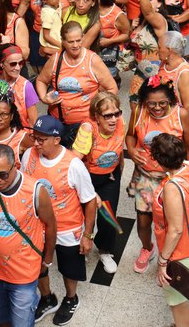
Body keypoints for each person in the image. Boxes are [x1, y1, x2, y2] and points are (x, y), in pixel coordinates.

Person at [0, 144, 56, 327]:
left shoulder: (35, 191)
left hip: (24, 274)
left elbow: (50, 226)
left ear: (15, 166)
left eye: (3, 174)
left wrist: (47, 261)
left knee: (22, 323)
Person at [22, 115, 97, 325]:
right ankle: (46, 298)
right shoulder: (29, 155)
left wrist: (87, 235)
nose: (35, 143)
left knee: (69, 266)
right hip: (37, 225)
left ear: (56, 139)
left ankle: (71, 298)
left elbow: (90, 200)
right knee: (38, 264)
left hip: (67, 227)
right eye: (34, 137)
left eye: (41, 139)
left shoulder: (73, 164)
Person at [126, 76, 189, 275]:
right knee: (143, 221)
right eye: (152, 104)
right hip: (145, 177)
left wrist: (188, 175)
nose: (157, 108)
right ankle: (147, 248)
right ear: (143, 103)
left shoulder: (180, 114)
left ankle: (170, 256)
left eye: (162, 103)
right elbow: (130, 136)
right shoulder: (139, 112)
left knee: (172, 222)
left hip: (172, 180)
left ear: (171, 101)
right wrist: (131, 151)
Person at [149, 134, 189, 327]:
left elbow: (175, 230)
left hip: (181, 251)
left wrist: (162, 261)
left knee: (176, 301)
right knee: (177, 297)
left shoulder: (172, 188)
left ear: (158, 160)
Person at [36, 22, 118, 148]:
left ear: (83, 37)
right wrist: (44, 98)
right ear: (63, 41)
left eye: (78, 40)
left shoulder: (92, 60)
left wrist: (99, 110)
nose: (75, 45)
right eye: (70, 42)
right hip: (58, 123)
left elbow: (112, 88)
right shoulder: (56, 60)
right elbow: (41, 80)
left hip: (85, 124)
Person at [71, 92, 125, 274]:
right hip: (88, 179)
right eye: (108, 115)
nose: (114, 119)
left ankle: (104, 250)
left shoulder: (121, 123)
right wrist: (90, 192)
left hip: (110, 177)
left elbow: (120, 150)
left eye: (116, 113)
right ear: (96, 116)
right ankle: (83, 247)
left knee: (109, 217)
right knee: (85, 216)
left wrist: (118, 173)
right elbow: (74, 163)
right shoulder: (88, 129)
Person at [0, 44, 39, 128]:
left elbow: (33, 121)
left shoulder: (26, 86)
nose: (18, 68)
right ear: (1, 64)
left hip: (17, 136)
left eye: (21, 63)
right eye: (13, 64)